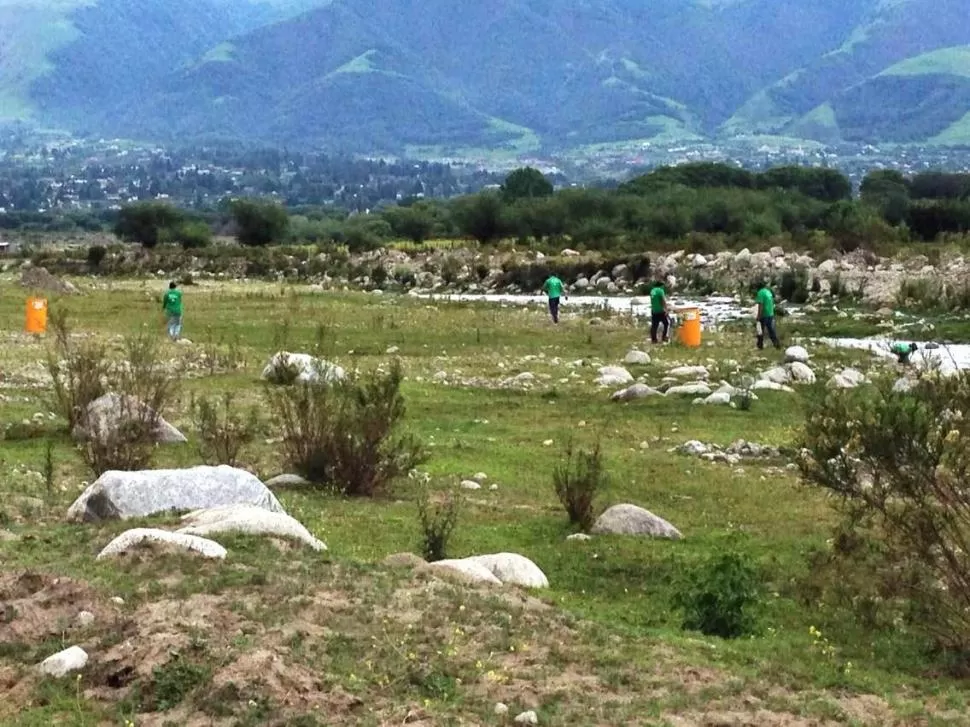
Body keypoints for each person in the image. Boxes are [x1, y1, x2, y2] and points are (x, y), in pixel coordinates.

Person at [755, 281, 780, 350]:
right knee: (771, 330)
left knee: (760, 330)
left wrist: (758, 316)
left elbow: (761, 305)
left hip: (764, 314)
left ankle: (760, 346)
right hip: (770, 313)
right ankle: (777, 344)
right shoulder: (768, 292)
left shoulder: (760, 293)